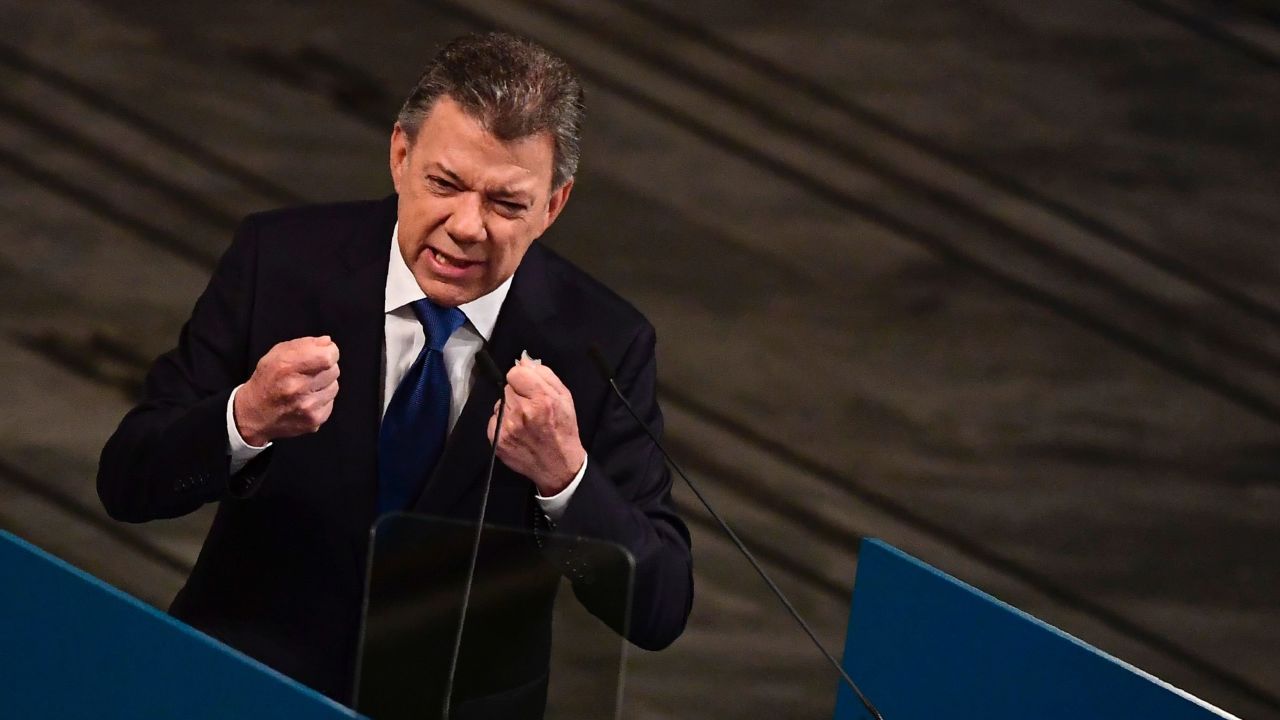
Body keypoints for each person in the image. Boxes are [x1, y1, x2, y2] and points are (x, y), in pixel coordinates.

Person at [96, 32, 693, 717]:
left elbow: (661, 607)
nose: (467, 226)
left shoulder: (603, 345)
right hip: (246, 692)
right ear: (401, 155)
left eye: (506, 204)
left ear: (552, 207)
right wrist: (244, 420)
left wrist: (567, 479)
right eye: (445, 184)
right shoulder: (281, 261)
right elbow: (128, 481)